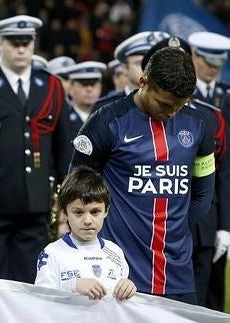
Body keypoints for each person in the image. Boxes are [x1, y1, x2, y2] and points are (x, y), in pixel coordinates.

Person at [70, 46, 215, 304]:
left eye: (179, 107)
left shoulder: (200, 125)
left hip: (177, 272)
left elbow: (203, 193)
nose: (171, 113)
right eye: (164, 104)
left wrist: (175, 228)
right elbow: (77, 188)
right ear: (143, 82)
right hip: (117, 272)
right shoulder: (106, 122)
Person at [0, 15, 67, 284]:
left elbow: (62, 146)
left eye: (26, 42)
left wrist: (65, 197)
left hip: (36, 198)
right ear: (1, 43)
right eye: (14, 42)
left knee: (29, 278)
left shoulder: (52, 85)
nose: (21, 49)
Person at [35, 166, 136, 301]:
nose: (87, 221)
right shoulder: (52, 253)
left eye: (95, 212)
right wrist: (72, 285)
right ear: (64, 213)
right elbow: (38, 300)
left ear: (106, 210)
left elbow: (125, 307)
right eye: (78, 212)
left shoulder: (115, 252)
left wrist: (128, 288)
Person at [187, 31, 230, 311]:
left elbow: (227, 171)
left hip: (213, 211)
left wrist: (226, 225)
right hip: (184, 205)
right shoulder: (180, 94)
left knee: (213, 294)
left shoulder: (226, 97)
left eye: (219, 61)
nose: (214, 66)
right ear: (193, 56)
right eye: (207, 60)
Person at [53, 61, 106, 182]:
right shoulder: (60, 118)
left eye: (94, 84)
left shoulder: (107, 117)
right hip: (67, 182)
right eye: (83, 84)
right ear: (70, 88)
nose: (89, 89)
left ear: (100, 87)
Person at [92, 31, 169, 112]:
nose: (149, 69)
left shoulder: (172, 105)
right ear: (125, 67)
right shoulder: (105, 109)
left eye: (155, 63)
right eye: (141, 63)